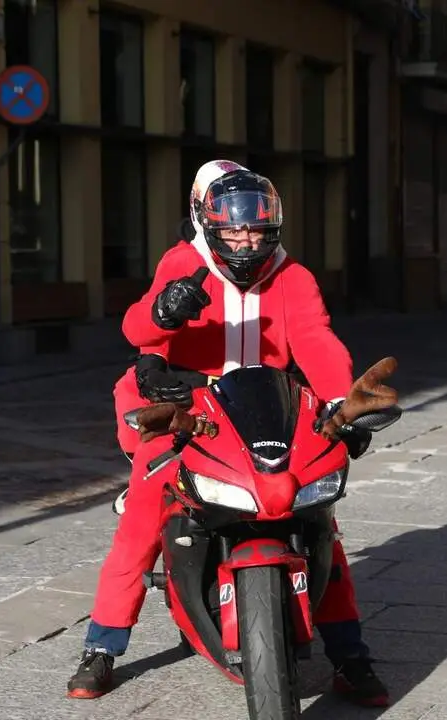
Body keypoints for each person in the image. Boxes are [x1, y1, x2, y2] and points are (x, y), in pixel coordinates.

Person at [69, 161, 388, 707]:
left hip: (271, 410)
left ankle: (350, 654)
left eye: (257, 229)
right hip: (191, 410)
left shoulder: (294, 277)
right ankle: (102, 647)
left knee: (319, 521)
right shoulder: (182, 262)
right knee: (145, 513)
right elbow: (136, 328)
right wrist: (164, 312)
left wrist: (340, 403)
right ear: (206, 221)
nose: (246, 240)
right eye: (235, 228)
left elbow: (317, 341)